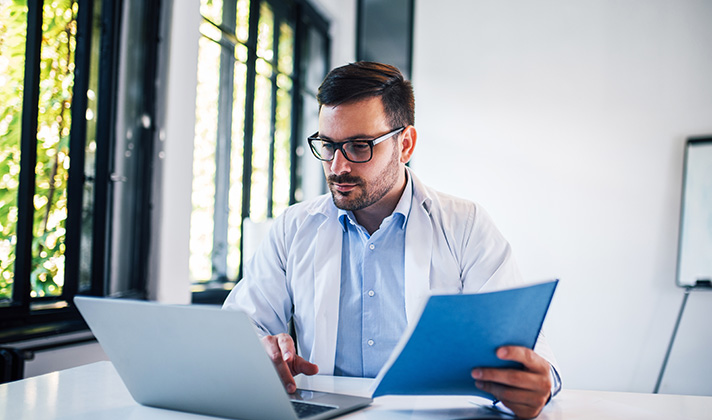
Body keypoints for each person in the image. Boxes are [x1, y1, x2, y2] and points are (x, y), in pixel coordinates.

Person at [223, 61, 561, 418]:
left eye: (359, 146)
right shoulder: (293, 228)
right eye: (328, 145)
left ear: (406, 144)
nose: (338, 166)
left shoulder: (465, 225)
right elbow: (243, 325)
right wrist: (260, 350)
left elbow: (524, 344)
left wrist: (541, 382)